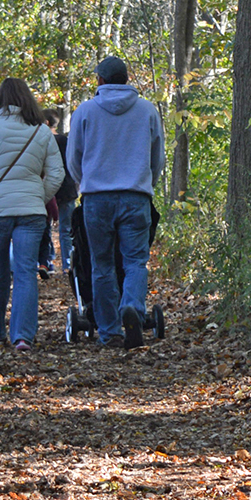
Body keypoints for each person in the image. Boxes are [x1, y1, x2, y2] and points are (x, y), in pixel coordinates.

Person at [65, 56, 164, 349]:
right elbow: (157, 157)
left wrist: (86, 183)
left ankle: (109, 331)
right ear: (126, 79)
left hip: (97, 198)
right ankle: (131, 306)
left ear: (101, 81)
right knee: (135, 261)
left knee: (101, 264)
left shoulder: (84, 112)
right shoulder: (147, 110)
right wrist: (147, 184)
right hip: (136, 196)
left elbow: (74, 158)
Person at [0, 77, 65, 349]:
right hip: (32, 211)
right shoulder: (42, 132)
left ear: (0, 99)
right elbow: (57, 173)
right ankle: (22, 336)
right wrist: (39, 197)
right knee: (25, 272)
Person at [40, 108, 78, 277]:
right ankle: (67, 265)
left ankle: (47, 261)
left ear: (46, 123)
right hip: (67, 188)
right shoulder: (66, 141)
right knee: (66, 229)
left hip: (47, 188)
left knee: (45, 226)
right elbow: (74, 162)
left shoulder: (42, 141)